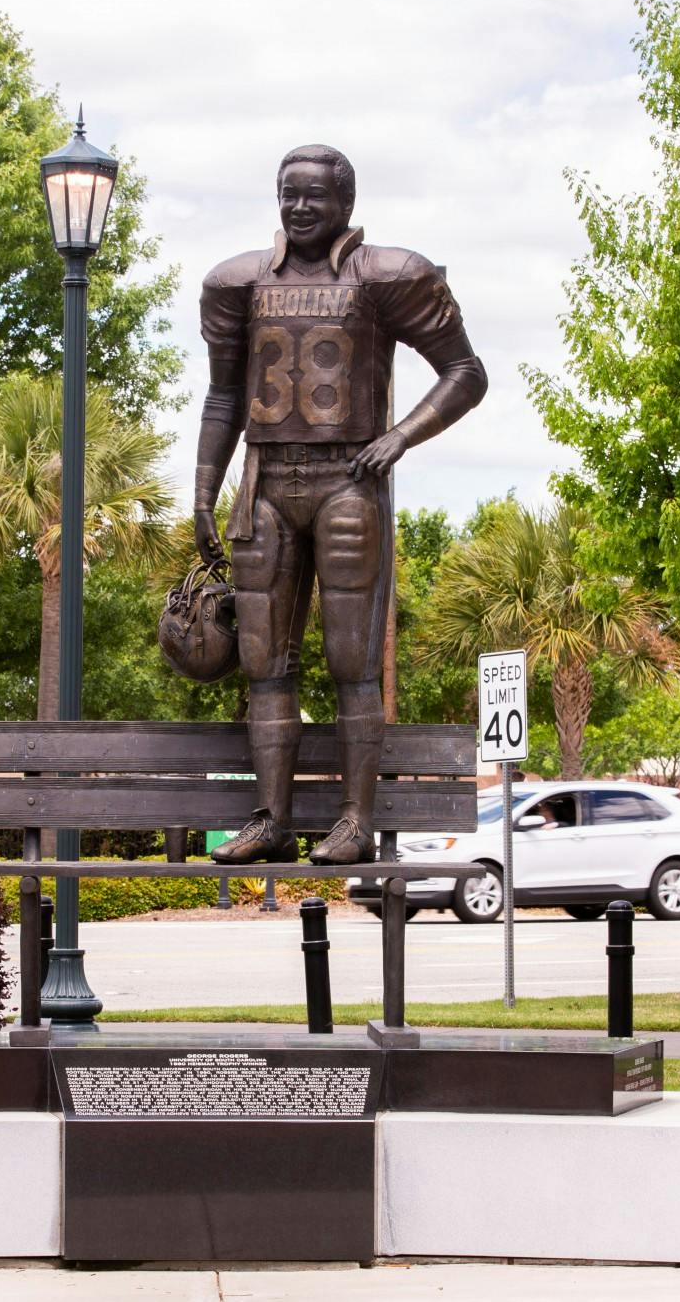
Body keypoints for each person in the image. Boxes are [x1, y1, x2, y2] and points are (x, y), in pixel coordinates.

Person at [195, 144, 488, 865]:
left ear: (345, 202)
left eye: (314, 196)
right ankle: (271, 818)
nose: (299, 207)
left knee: (350, 656)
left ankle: (355, 820)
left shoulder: (385, 277)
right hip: (264, 481)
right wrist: (204, 486)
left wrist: (399, 437)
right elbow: (226, 395)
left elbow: (465, 371)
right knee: (264, 660)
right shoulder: (239, 283)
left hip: (346, 478)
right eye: (287, 194)